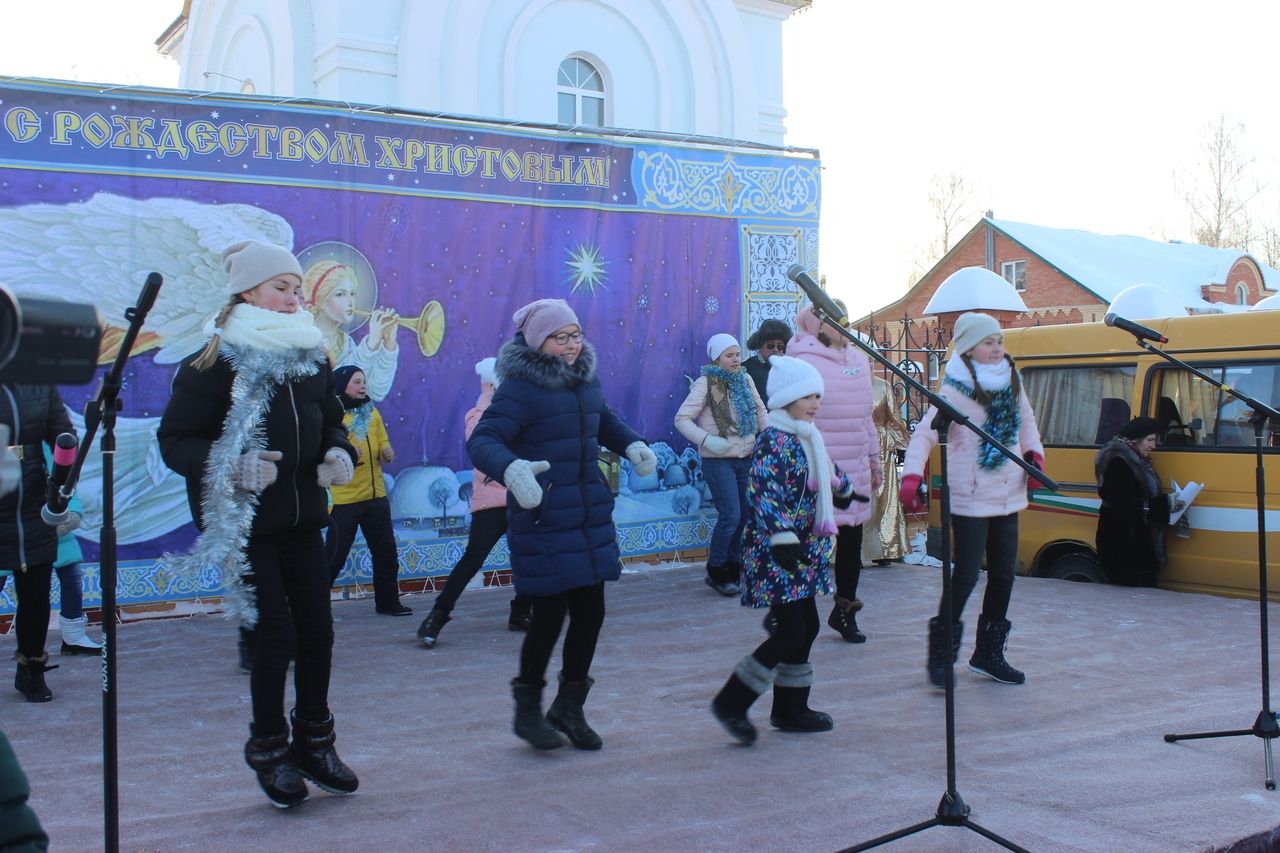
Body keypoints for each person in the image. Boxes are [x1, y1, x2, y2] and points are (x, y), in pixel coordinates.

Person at [159, 239, 360, 809]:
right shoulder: (216, 358)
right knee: (277, 638)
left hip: (301, 520)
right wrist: (230, 464)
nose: (294, 298)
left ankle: (315, 744)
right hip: (247, 524)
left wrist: (338, 452)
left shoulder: (310, 354)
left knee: (318, 633)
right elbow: (176, 440)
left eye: (297, 289)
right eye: (281, 287)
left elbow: (332, 422)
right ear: (247, 292)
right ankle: (269, 750)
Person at [467, 298, 657, 751]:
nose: (572, 345)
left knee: (592, 613)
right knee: (549, 616)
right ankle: (528, 710)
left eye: (576, 335)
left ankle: (569, 708)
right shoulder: (519, 389)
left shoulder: (585, 379)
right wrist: (511, 468)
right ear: (539, 342)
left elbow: (603, 422)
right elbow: (484, 439)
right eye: (561, 337)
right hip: (545, 514)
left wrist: (632, 445)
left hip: (588, 514)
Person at [710, 356, 862, 744]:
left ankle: (790, 708)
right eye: (807, 396)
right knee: (792, 628)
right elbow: (764, 493)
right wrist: (780, 536)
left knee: (806, 626)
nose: (815, 403)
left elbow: (826, 470)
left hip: (803, 549)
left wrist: (843, 491)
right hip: (775, 549)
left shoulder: (807, 435)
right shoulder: (774, 439)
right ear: (786, 398)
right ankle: (732, 701)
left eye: (817, 396)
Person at [900, 312, 1045, 688]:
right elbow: (923, 436)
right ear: (968, 348)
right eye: (988, 342)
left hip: (1008, 493)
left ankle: (988, 654)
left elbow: (1026, 422)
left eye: (999, 341)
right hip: (970, 495)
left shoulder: (1011, 380)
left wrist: (1034, 455)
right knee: (964, 576)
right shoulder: (952, 391)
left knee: (1003, 575)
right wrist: (912, 473)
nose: (997, 348)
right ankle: (941, 655)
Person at [417, 357, 533, 647]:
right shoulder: (479, 413)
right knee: (472, 560)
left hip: (523, 495)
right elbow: (477, 439)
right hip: (492, 500)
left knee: (532, 557)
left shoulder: (524, 411)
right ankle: (437, 616)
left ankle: (521, 612)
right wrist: (487, 394)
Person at [788, 302, 880, 643]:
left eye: (845, 318)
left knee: (850, 546)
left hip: (853, 468)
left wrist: (874, 458)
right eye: (832, 319)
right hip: (815, 470)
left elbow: (865, 416)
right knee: (808, 545)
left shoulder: (859, 359)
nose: (842, 326)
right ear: (816, 324)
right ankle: (793, 610)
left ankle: (844, 612)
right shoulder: (801, 360)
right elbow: (791, 420)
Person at [674, 333, 768, 596]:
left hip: (745, 458)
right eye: (729, 355)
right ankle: (716, 570)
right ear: (716, 358)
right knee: (731, 516)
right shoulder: (705, 384)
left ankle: (735, 568)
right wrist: (708, 441)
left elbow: (760, 411)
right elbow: (681, 419)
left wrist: (770, 436)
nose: (736, 359)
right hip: (718, 461)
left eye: (737, 354)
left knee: (746, 517)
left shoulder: (745, 379)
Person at [0, 383, 75, 702]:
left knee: (36, 590)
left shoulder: (39, 381)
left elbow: (64, 437)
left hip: (33, 497)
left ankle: (31, 666)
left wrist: (59, 486)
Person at [325, 365, 411, 616]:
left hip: (376, 497)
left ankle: (388, 602)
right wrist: (350, 454)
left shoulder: (370, 411)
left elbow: (382, 437)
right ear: (342, 385)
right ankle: (314, 605)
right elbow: (329, 452)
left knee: (385, 552)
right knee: (333, 556)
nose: (362, 386)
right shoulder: (335, 417)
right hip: (346, 499)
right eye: (356, 382)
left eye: (364, 381)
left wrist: (387, 450)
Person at [1095, 416, 1180, 587]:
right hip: (1124, 548)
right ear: (1135, 438)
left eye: (1155, 440)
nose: (1153, 446)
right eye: (1150, 440)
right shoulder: (1117, 460)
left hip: (1135, 546)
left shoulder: (1136, 458)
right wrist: (1162, 505)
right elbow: (1121, 505)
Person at [303, 258, 399, 401]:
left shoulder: (346, 342)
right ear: (320, 299)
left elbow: (375, 392)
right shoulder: (306, 340)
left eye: (352, 294)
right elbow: (335, 389)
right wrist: (370, 345)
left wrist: (388, 348)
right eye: (340, 294)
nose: (350, 302)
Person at [41, 446, 101, 655]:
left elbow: (65, 479)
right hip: (14, 529)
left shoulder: (44, 444)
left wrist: (72, 511)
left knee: (72, 578)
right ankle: (30, 647)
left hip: (54, 521)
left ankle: (73, 638)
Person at [863, 375, 911, 566]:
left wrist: (901, 445)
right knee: (856, 499)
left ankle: (884, 550)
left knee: (883, 497)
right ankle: (853, 551)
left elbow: (894, 417)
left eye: (870, 359)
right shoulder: (844, 384)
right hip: (853, 443)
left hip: (881, 446)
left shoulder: (883, 386)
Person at [742, 318, 791, 399]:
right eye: (770, 345)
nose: (775, 349)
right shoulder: (746, 368)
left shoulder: (789, 369)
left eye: (780, 346)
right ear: (760, 345)